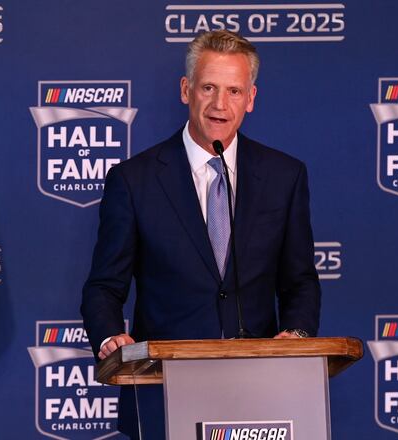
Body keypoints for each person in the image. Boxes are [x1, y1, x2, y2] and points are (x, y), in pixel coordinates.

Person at [80, 30, 321, 438]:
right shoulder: (134, 180)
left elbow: (300, 281)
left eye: (233, 90)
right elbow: (103, 286)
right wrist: (109, 337)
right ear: (185, 89)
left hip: (261, 391)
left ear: (251, 98)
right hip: (162, 389)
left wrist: (295, 337)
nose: (219, 104)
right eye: (208, 87)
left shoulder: (285, 176)